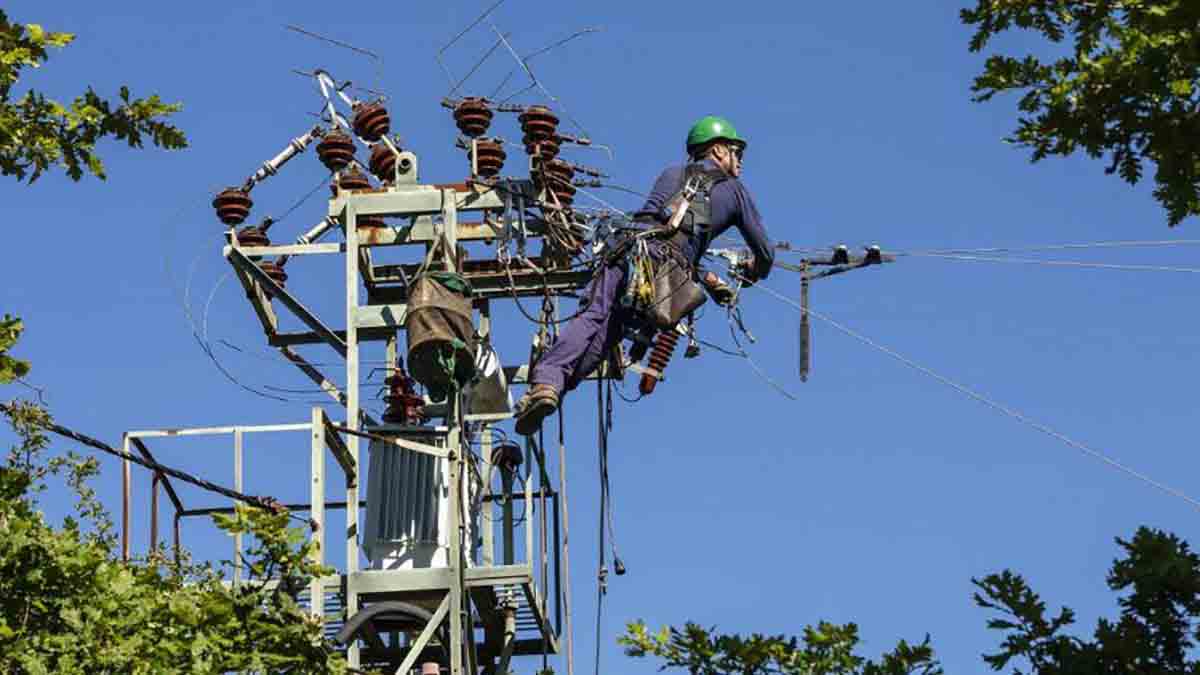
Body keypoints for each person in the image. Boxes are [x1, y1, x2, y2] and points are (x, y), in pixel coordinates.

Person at [513, 115, 774, 435]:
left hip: (629, 252)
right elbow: (764, 253)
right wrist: (753, 272)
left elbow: (662, 228)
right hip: (662, 278)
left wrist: (705, 276)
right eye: (737, 152)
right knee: (608, 335)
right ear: (719, 150)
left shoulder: (672, 173)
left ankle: (547, 386)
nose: (741, 162)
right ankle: (555, 389)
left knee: (594, 317)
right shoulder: (734, 191)